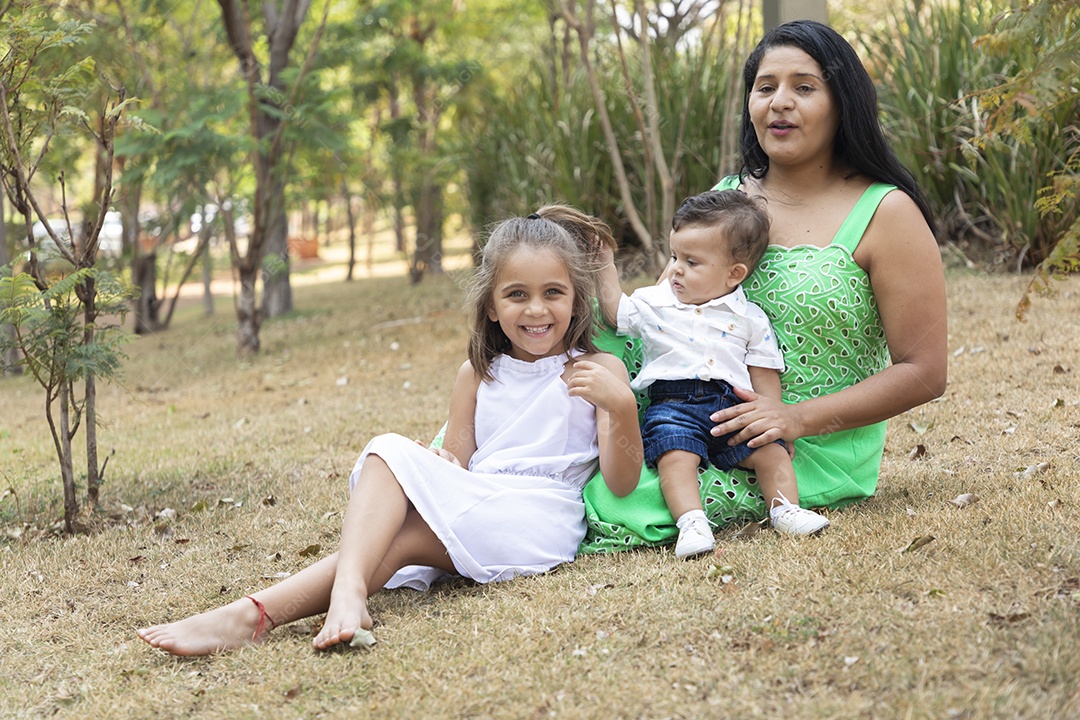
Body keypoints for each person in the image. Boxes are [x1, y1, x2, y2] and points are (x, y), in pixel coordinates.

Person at [137, 216, 642, 655]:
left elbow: (621, 483)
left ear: (576, 299)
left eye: (553, 293)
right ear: (491, 305)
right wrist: (440, 462)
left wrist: (620, 406)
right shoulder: (478, 374)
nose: (536, 310)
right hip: (478, 497)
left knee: (400, 528)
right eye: (517, 295)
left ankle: (268, 611)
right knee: (388, 458)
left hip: (536, 517)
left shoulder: (598, 369)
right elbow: (458, 461)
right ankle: (279, 610)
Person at [579, 19, 947, 553]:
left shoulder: (887, 212)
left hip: (802, 443)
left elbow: (924, 372)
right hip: (688, 409)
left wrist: (792, 417)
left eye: (804, 87)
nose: (780, 102)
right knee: (565, 358)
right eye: (765, 86)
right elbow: (666, 308)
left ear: (843, 102)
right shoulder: (729, 199)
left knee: (616, 506)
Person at [595, 190, 830, 559]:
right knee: (675, 454)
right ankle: (691, 521)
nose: (675, 269)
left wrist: (774, 417)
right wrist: (604, 264)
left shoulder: (750, 317)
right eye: (674, 257)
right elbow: (614, 312)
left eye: (691, 261)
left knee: (771, 453)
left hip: (732, 405)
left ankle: (785, 508)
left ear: (734, 273)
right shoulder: (655, 303)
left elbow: (764, 372)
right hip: (673, 404)